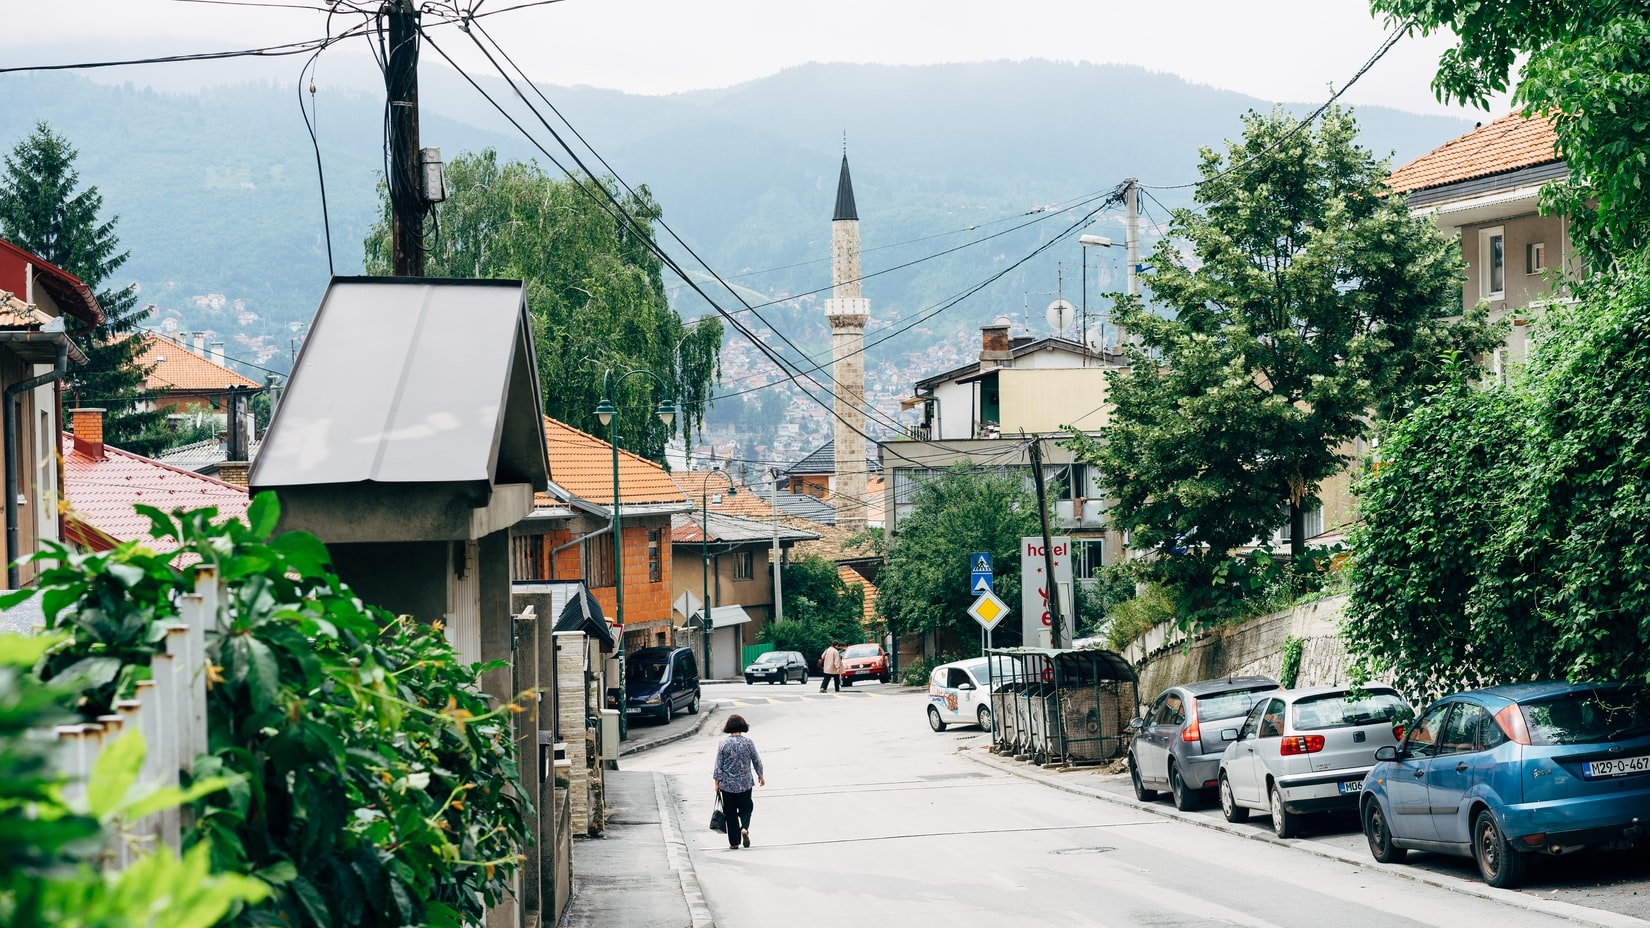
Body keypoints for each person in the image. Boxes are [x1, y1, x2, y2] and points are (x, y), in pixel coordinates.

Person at [712, 714, 764, 849]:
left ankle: (734, 843)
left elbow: (718, 764)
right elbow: (756, 760)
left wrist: (717, 783)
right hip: (745, 783)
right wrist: (760, 775)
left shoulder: (723, 743)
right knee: (746, 808)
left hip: (727, 785)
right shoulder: (748, 742)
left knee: (730, 814)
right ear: (742, 726)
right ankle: (745, 828)